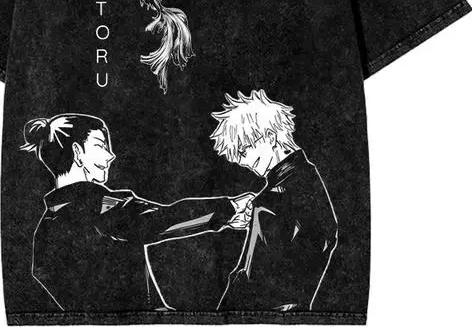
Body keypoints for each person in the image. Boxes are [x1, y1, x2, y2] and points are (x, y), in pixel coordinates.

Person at [21, 113, 252, 312]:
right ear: (77, 152)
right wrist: (229, 208)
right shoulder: (102, 205)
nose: (111, 156)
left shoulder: (44, 230)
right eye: (101, 146)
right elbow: (163, 220)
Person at [210, 90, 339, 312]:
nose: (243, 161)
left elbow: (249, 276)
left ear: (270, 136)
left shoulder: (268, 202)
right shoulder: (309, 175)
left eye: (244, 149)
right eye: (237, 155)